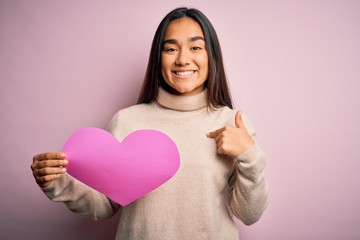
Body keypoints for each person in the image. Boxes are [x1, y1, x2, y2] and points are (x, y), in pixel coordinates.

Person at [31, 7, 268, 240]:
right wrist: (56, 182)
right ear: (158, 57)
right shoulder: (127, 120)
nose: (183, 59)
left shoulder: (231, 123)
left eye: (196, 47)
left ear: (211, 56)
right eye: (171, 49)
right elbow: (105, 205)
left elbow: (249, 214)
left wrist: (250, 155)